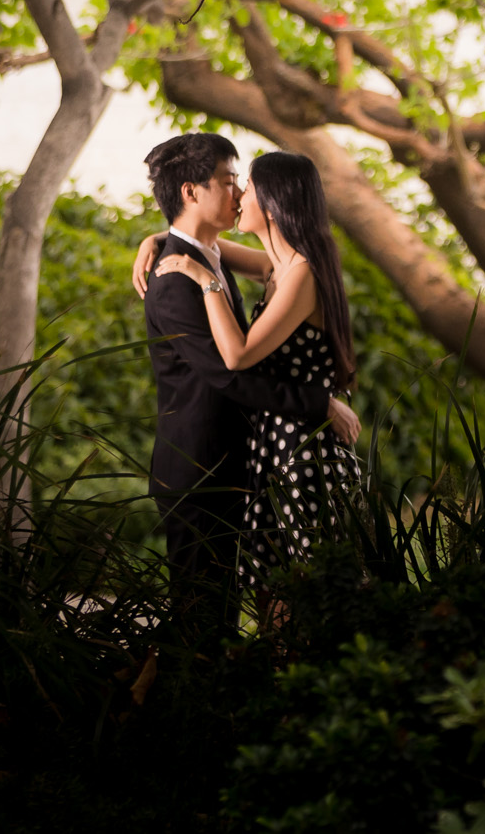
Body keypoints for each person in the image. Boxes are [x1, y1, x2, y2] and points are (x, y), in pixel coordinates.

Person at [139, 134, 360, 633]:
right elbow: (227, 372)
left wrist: (178, 252)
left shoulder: (232, 263)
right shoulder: (178, 277)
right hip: (200, 469)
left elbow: (239, 345)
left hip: (266, 457)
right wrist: (317, 402)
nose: (239, 193)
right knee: (209, 618)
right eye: (230, 181)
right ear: (193, 192)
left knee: (287, 591)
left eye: (245, 184)